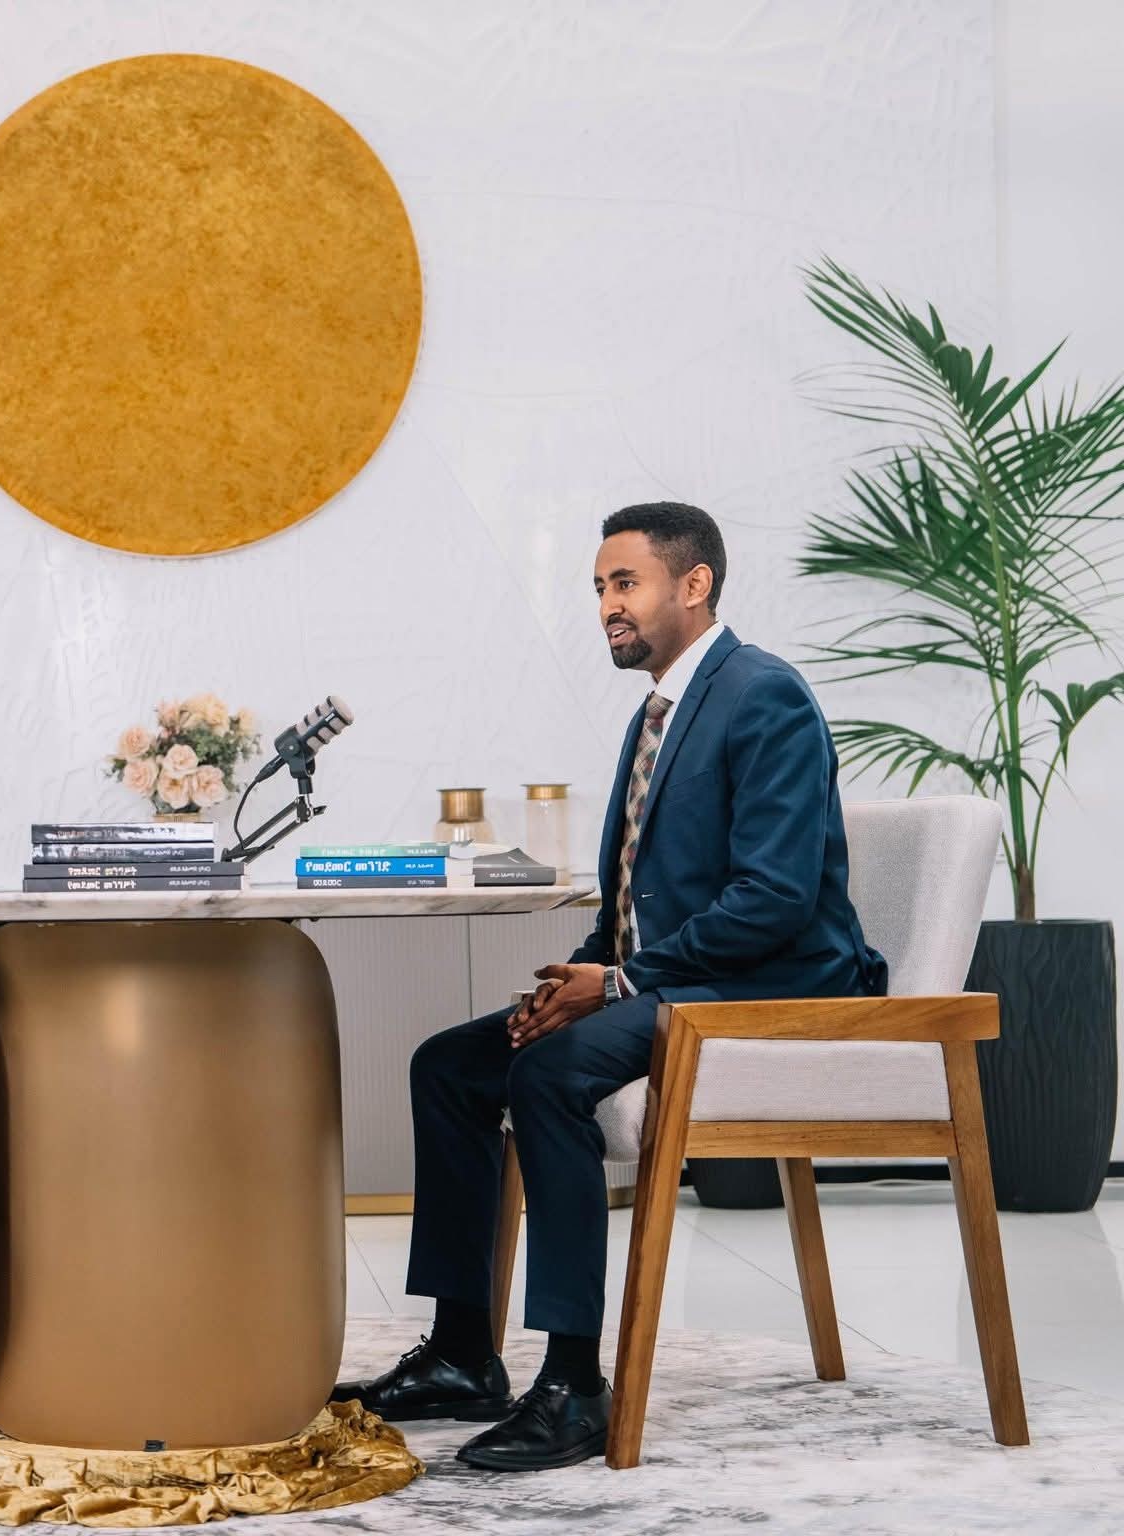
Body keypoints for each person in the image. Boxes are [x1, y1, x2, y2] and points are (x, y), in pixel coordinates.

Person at [337, 502, 885, 1471]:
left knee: (547, 1075)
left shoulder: (763, 696)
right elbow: (638, 897)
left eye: (624, 583)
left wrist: (621, 979)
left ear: (693, 584)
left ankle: (571, 1383)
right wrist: (578, 975)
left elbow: (773, 899)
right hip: (676, 980)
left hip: (769, 988)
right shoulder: (658, 711)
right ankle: (462, 1354)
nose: (606, 606)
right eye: (598, 588)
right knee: (452, 1065)